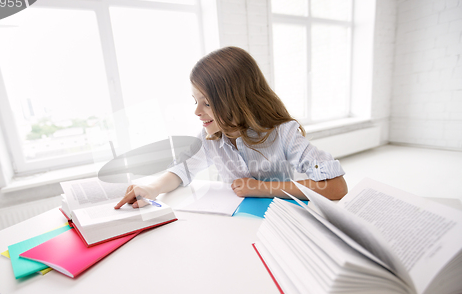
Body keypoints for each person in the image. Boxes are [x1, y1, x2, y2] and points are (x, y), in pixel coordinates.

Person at [115, 46, 347, 209]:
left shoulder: (284, 133)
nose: (197, 112)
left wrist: (261, 188)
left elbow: (336, 187)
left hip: (279, 219)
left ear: (238, 100)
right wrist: (152, 187)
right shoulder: (211, 137)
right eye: (195, 101)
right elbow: (181, 169)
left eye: (207, 103)